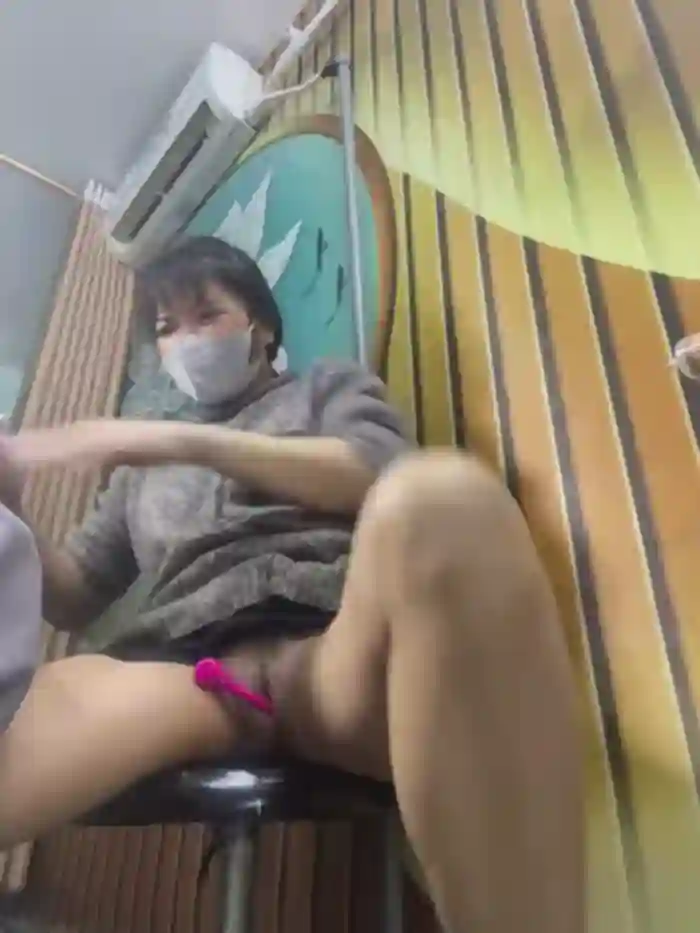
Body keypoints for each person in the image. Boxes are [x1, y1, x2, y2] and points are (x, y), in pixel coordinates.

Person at [0, 237, 582, 933]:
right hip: (186, 675)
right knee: (42, 705)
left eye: (206, 316)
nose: (185, 340)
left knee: (442, 498)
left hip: (332, 652)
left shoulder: (324, 389)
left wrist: (183, 442)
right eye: (167, 327)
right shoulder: (135, 474)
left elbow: (376, 472)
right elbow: (75, 595)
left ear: (262, 327)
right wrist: (13, 507)